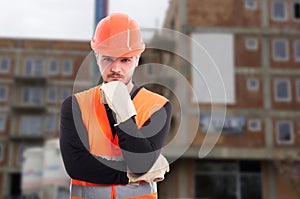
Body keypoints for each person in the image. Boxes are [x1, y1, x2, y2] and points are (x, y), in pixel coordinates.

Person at [59, 13, 172, 199]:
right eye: (108, 59)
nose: (116, 69)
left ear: (137, 58)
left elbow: (140, 163)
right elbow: (76, 166)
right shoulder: (74, 105)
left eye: (125, 60)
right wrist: (130, 175)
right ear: (97, 57)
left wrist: (124, 112)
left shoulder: (158, 106)